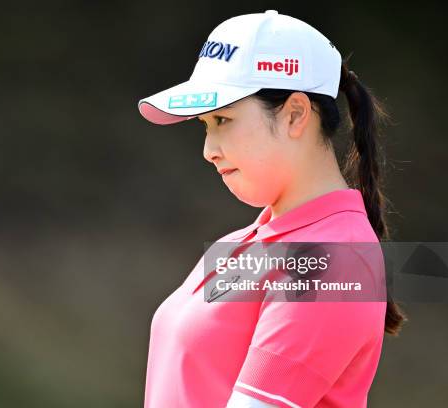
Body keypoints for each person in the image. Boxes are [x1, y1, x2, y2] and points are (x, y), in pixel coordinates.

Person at [137, 10, 407, 408]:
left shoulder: (337, 258)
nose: (209, 151)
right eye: (205, 125)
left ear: (295, 114)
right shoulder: (242, 243)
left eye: (224, 119)